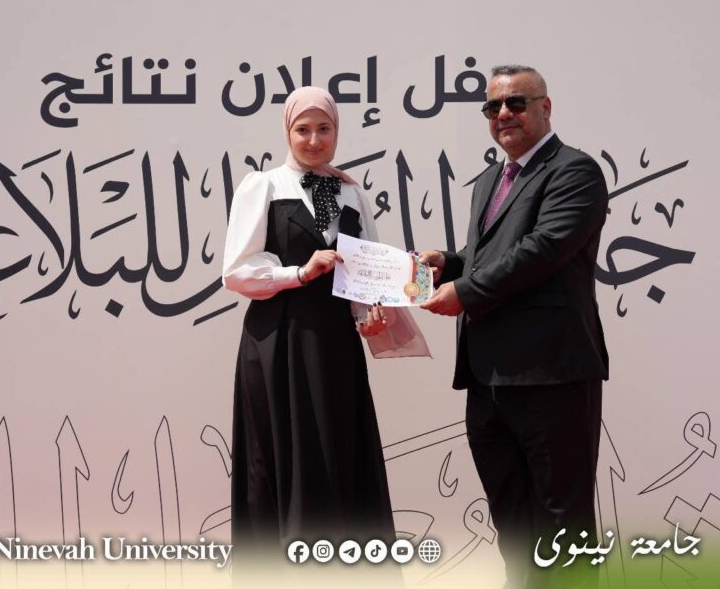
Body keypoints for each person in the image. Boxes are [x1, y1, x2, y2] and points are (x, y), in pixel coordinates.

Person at [222, 86, 429, 564]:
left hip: (335, 346)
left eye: (324, 129)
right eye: (303, 129)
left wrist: (370, 316)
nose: (314, 140)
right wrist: (299, 272)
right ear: (287, 132)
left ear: (337, 132)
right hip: (278, 343)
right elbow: (236, 272)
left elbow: (368, 272)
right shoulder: (263, 186)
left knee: (340, 454)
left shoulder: (352, 192)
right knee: (286, 459)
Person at [420, 65, 609, 587]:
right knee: (512, 523)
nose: (504, 114)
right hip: (488, 382)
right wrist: (449, 265)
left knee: (563, 524)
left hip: (551, 376)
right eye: (493, 106)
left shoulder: (574, 171)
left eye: (516, 103)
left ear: (545, 108)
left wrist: (465, 292)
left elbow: (541, 250)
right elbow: (490, 257)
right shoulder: (489, 181)